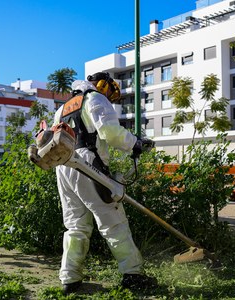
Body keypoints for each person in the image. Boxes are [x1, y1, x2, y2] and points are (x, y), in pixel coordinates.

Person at [51, 72, 157, 294]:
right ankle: (132, 275)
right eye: (110, 91)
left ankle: (69, 279)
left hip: (64, 166)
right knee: (113, 220)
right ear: (102, 85)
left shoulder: (62, 109)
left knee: (75, 225)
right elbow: (109, 132)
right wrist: (135, 144)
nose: (110, 97)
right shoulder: (94, 97)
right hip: (87, 164)